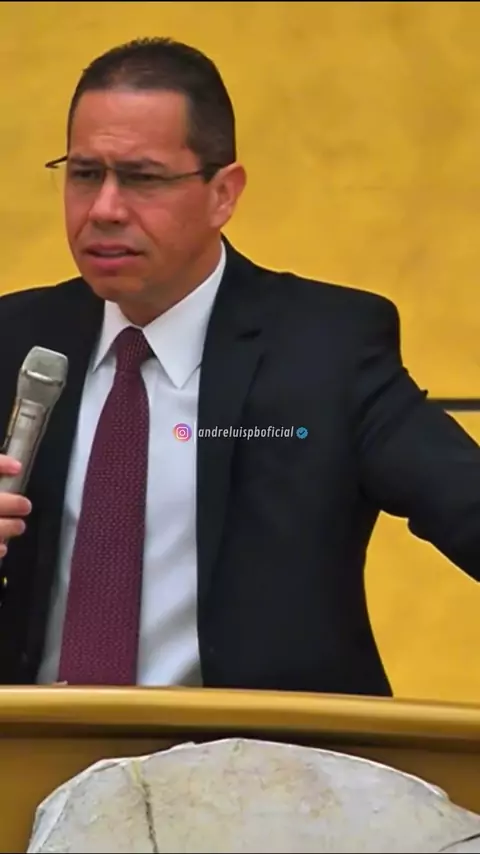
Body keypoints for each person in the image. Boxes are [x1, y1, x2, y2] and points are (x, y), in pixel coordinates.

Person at [0, 37, 479, 695]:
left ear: (223, 194)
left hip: (255, 753)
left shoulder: (325, 351)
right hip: (33, 744)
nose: (105, 209)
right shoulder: (17, 341)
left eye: (142, 178)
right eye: (85, 174)